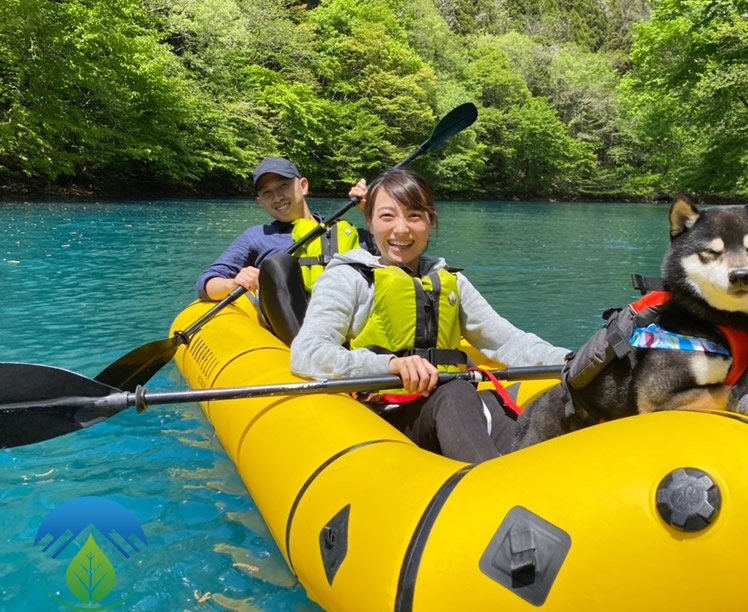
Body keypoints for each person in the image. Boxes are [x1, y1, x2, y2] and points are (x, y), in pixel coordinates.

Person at [289, 169, 570, 463]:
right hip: (384, 417)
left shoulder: (449, 280)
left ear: (430, 222)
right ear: (370, 223)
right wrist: (391, 365)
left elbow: (505, 341)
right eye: (387, 217)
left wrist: (572, 360)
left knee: (493, 403)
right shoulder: (348, 278)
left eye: (414, 216)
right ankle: (492, 490)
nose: (401, 229)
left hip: (450, 406)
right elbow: (307, 352)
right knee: (457, 392)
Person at [196, 157, 372, 343]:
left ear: (303, 186)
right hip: (297, 333)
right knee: (279, 265)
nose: (277, 197)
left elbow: (397, 252)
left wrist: (369, 210)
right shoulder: (257, 237)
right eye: (267, 193)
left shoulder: (346, 231)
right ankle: (312, 349)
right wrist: (232, 284)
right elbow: (206, 283)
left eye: (283, 186)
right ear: (260, 201)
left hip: (353, 321)